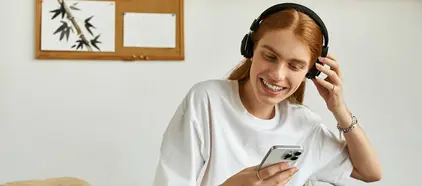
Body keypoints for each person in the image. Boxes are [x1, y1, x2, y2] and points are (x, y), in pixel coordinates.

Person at [152, 3, 382, 186]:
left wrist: (339, 110)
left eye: (295, 66)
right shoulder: (207, 101)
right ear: (250, 50)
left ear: (310, 72)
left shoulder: (304, 125)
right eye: (270, 57)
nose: (277, 75)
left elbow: (369, 172)